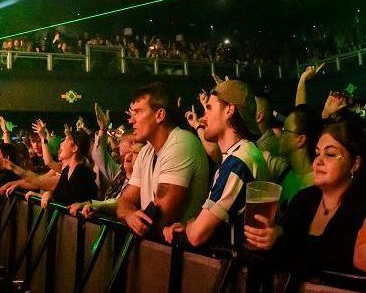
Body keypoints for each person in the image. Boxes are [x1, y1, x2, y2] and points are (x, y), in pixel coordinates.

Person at [244, 115, 366, 275]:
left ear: (355, 163)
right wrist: (268, 237)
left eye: (329, 154)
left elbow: (335, 255)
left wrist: (281, 240)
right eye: (317, 153)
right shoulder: (304, 199)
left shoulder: (360, 207)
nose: (318, 162)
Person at [163, 80, 270, 247]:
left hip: (239, 270)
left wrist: (191, 225)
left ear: (229, 110)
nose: (204, 118)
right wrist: (187, 228)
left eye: (210, 108)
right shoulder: (243, 153)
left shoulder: (238, 163)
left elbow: (197, 235)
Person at [116, 82, 210, 237]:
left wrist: (132, 215)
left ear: (159, 115)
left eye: (138, 112)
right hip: (159, 249)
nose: (131, 121)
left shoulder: (181, 143)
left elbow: (159, 217)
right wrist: (129, 215)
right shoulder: (147, 150)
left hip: (181, 255)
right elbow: (125, 201)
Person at [0, 129, 98, 208]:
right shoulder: (67, 171)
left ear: (74, 148)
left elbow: (38, 180)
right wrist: (46, 194)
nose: (61, 144)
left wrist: (14, 168)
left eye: (66, 140)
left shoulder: (82, 173)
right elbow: (61, 194)